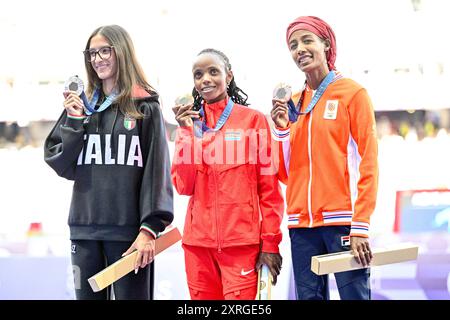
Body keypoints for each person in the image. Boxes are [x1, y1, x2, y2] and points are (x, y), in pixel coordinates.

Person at [44, 25, 174, 300]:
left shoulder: (144, 106)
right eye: (92, 53)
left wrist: (149, 229)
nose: (98, 59)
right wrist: (75, 122)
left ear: (122, 52)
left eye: (105, 51)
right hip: (84, 231)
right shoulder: (82, 106)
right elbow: (60, 162)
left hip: (129, 235)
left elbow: (156, 171)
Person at [270, 16, 378, 300]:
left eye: (307, 41)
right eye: (293, 45)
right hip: (301, 226)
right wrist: (282, 130)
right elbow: (285, 174)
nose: (300, 49)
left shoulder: (352, 94)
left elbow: (369, 162)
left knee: (355, 296)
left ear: (326, 44)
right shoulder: (293, 102)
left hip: (342, 222)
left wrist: (360, 226)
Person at [171, 48, 284, 300]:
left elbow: (269, 189)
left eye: (213, 72)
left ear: (229, 76)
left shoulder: (253, 121)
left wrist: (270, 243)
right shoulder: (190, 126)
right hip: (198, 248)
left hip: (242, 247)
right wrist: (187, 133)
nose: (205, 79)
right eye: (198, 75)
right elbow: (183, 186)